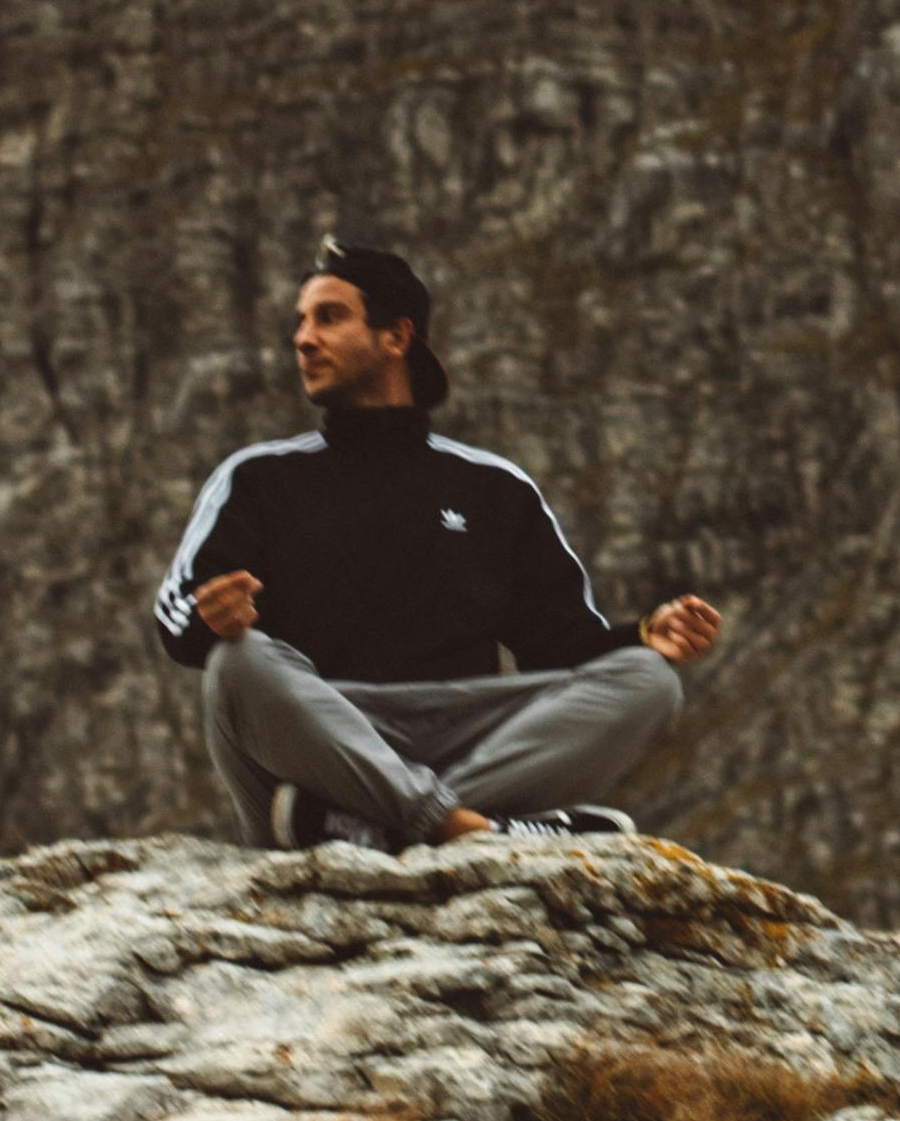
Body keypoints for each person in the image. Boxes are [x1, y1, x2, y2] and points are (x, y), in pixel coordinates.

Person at [150, 239, 721, 851]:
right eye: (301, 322)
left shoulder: (493, 489)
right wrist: (210, 618)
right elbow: (178, 619)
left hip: (460, 728)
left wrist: (642, 635)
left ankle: (387, 826)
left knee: (650, 682)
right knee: (239, 664)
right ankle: (462, 827)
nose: (303, 339)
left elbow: (561, 648)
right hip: (321, 742)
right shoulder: (258, 478)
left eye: (329, 317)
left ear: (396, 336)